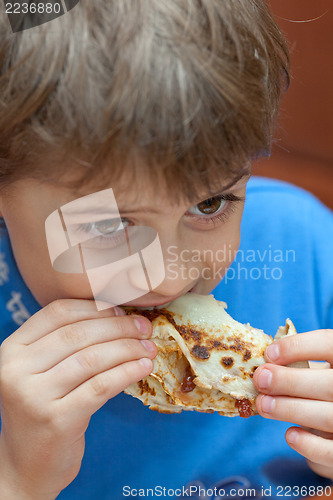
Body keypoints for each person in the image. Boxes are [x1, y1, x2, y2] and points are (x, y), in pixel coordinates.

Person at [0, 1, 332, 498]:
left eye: (211, 202)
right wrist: (19, 481)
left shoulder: (306, 246)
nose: (170, 280)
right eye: (111, 223)